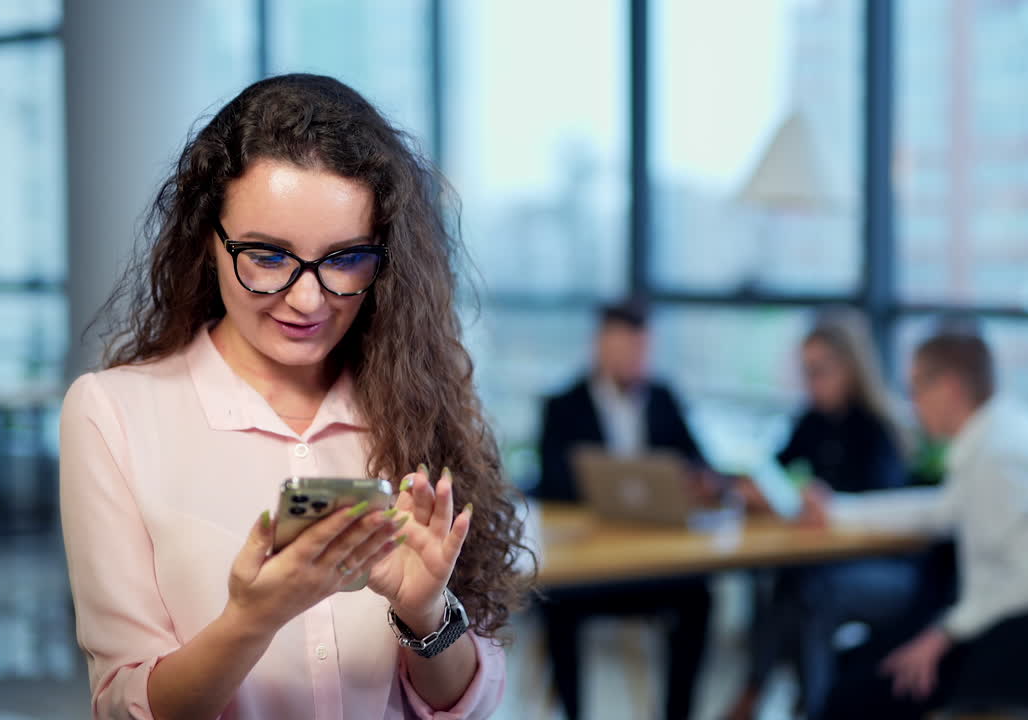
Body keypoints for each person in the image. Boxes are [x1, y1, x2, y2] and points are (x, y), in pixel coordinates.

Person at [59, 74, 529, 720]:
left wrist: (425, 615)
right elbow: (123, 706)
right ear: (208, 239)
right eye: (268, 256)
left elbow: (466, 707)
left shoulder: (413, 404)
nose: (308, 300)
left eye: (344, 260)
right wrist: (253, 619)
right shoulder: (114, 414)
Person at [804, 330, 1028, 720]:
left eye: (916, 386)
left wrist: (944, 633)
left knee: (857, 690)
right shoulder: (1000, 430)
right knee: (860, 666)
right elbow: (940, 510)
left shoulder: (1003, 455)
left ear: (949, 387)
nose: (912, 401)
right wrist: (839, 511)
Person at [725, 309, 915, 720]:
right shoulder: (812, 420)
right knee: (784, 584)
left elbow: (884, 509)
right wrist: (760, 489)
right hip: (823, 558)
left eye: (819, 370)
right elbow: (775, 467)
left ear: (849, 368)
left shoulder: (876, 430)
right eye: (805, 371)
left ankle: (791, 701)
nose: (811, 381)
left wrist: (832, 507)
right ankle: (778, 696)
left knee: (806, 594)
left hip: (879, 564)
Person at [532, 300, 712, 720]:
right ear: (601, 346)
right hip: (588, 563)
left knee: (698, 596)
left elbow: (698, 463)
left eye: (643, 348)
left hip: (654, 561)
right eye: (627, 346)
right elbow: (553, 483)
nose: (637, 357)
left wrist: (697, 482)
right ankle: (573, 712)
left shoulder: (664, 399)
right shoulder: (563, 405)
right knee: (555, 598)